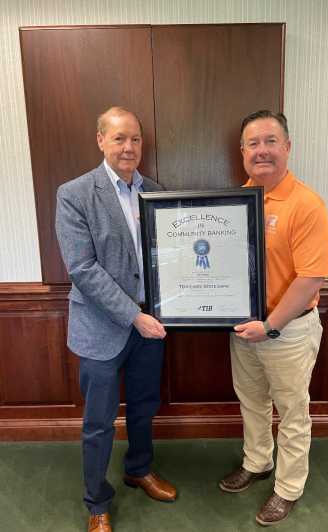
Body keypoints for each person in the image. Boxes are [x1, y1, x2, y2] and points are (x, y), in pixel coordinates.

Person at [55, 106, 176, 532]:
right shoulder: (74, 194)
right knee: (98, 423)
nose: (129, 147)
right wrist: (133, 316)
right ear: (101, 140)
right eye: (120, 138)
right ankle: (96, 504)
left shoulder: (156, 193)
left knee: (144, 408)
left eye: (136, 139)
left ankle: (138, 469)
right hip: (101, 329)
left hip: (151, 327)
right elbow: (82, 269)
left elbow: (170, 259)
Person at [219, 110, 328, 526]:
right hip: (243, 326)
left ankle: (287, 488)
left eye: (270, 141)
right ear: (243, 152)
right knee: (251, 402)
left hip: (285, 331)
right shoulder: (235, 200)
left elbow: (310, 278)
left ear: (287, 147)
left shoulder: (306, 204)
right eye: (253, 143)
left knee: (292, 412)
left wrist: (270, 326)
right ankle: (258, 463)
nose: (261, 151)